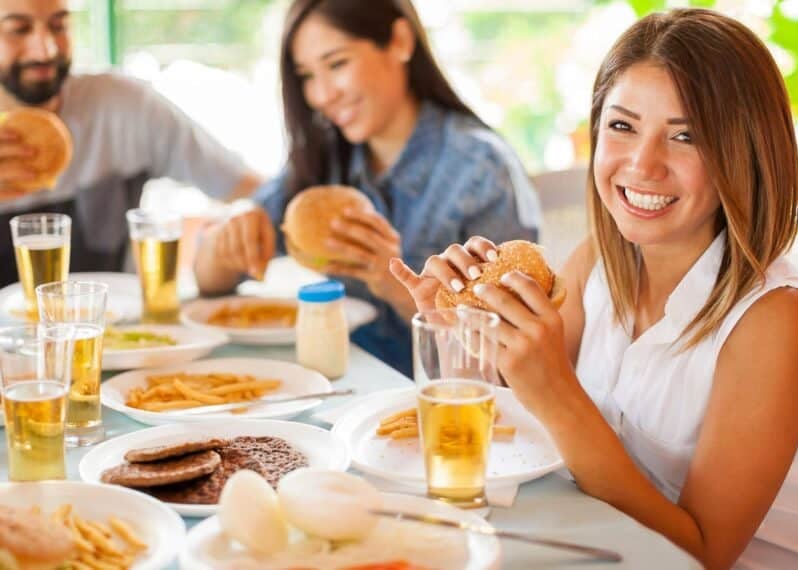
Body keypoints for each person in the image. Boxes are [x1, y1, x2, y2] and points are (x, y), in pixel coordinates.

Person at [391, 8, 798, 569]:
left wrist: (554, 389)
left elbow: (703, 553)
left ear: (747, 153)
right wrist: (460, 336)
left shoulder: (775, 321)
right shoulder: (600, 264)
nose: (643, 163)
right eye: (623, 126)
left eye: (686, 136)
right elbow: (523, 429)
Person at [194, 0, 540, 376]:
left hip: (440, 405)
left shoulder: (480, 169)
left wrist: (396, 286)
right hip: (337, 385)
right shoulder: (325, 159)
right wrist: (232, 230)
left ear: (399, 41)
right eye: (307, 75)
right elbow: (210, 280)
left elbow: (509, 355)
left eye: (337, 64)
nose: (322, 95)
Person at [0, 0, 261, 287]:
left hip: (117, 326)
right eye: (18, 29)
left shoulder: (125, 106)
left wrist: (240, 217)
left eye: (59, 25)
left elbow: (250, 191)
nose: (45, 50)